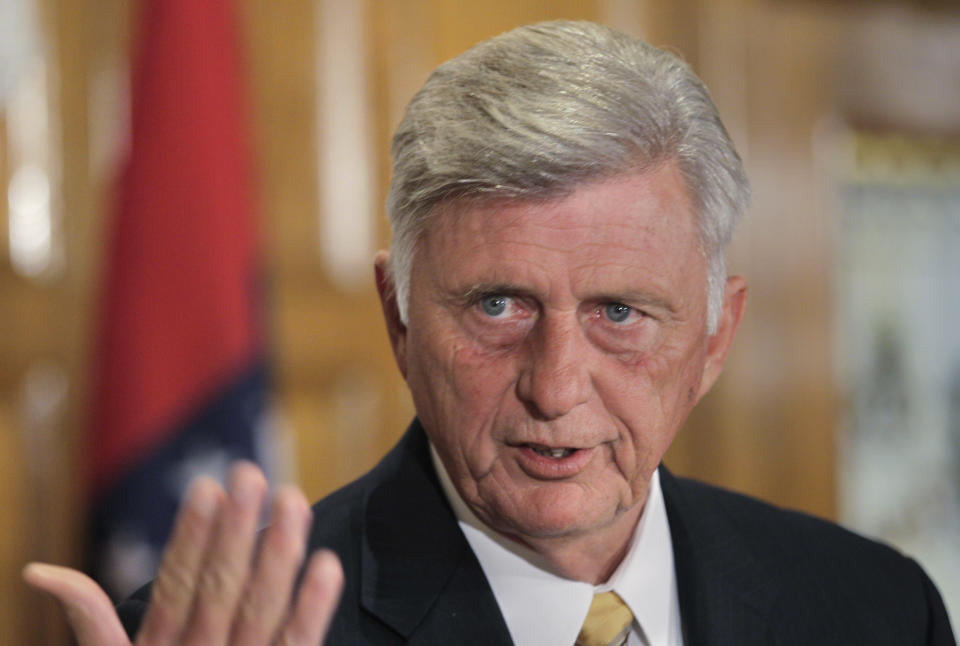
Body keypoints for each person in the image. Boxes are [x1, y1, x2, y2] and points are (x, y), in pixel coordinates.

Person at [24, 20, 956, 646]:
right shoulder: (234, 633)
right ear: (398, 318)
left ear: (717, 336)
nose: (555, 387)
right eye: (498, 306)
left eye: (619, 314)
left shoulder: (874, 609)